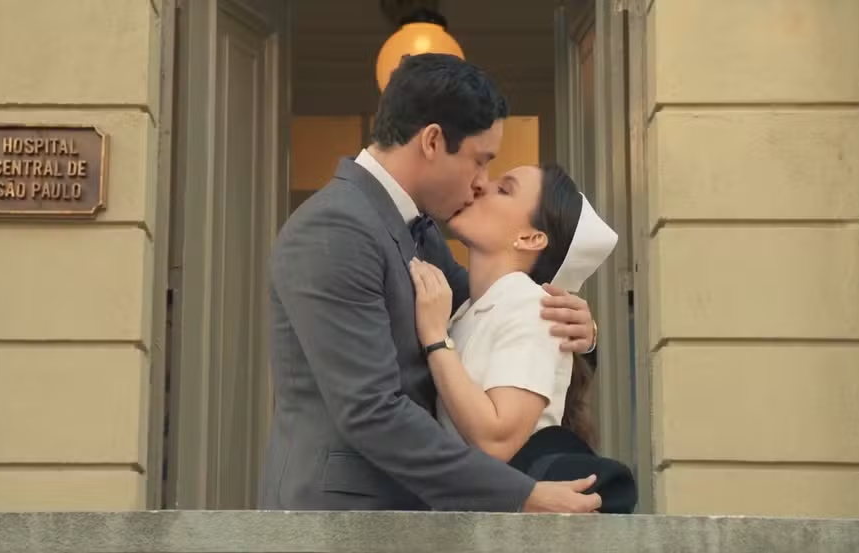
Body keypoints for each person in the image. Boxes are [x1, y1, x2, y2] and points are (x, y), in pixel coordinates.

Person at [258, 53, 600, 513]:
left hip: (404, 519)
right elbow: (371, 411)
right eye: (480, 161)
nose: (480, 183)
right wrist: (521, 495)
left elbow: (494, 311)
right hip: (340, 518)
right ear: (433, 141)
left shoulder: (419, 233)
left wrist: (581, 334)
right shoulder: (334, 228)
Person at [409, 164, 638, 514]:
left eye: (504, 189)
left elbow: (496, 440)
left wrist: (435, 338)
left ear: (531, 238)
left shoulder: (531, 306)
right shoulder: (465, 311)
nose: (481, 185)